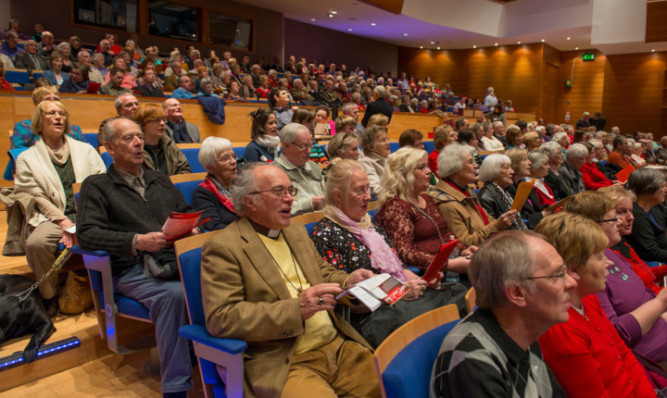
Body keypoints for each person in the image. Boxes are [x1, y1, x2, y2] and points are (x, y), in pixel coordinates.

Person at [200, 163, 381, 398]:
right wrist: (296, 309)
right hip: (286, 361)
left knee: (393, 385)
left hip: (338, 347)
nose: (289, 199)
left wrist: (349, 281)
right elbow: (222, 318)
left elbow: (322, 273)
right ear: (250, 200)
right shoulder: (224, 248)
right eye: (279, 192)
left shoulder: (295, 232)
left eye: (290, 191)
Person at [77, 117, 195, 397]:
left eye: (139, 137)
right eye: (128, 138)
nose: (138, 142)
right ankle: (176, 388)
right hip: (132, 269)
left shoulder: (159, 179)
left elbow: (185, 209)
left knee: (223, 277)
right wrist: (136, 242)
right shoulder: (97, 186)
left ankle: (217, 359)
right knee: (175, 296)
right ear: (109, 148)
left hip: (172, 260)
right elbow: (87, 234)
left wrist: (193, 226)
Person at [311, 160, 467, 347]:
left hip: (399, 296)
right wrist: (398, 292)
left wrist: (423, 281)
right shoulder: (326, 233)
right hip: (371, 314)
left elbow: (399, 267)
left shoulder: (370, 223)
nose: (369, 197)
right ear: (338, 196)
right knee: (436, 315)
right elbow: (347, 298)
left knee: (458, 293)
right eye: (360, 190)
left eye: (369, 189)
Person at [431, 231, 573, 398]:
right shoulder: (473, 363)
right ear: (517, 293)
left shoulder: (526, 330)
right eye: (557, 275)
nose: (571, 282)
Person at [535, 213, 657, 398]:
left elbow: (623, 354)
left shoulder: (589, 299)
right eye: (600, 257)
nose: (608, 263)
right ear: (573, 269)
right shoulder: (559, 329)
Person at [12, 100, 105, 313]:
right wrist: (63, 221)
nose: (58, 117)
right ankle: (49, 295)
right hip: (52, 217)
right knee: (36, 243)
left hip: (88, 212)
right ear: (39, 120)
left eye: (61, 113)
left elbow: (101, 180)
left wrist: (88, 217)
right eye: (51, 113)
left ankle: (110, 286)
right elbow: (34, 196)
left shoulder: (86, 149)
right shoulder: (27, 158)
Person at [564, 191, 667, 363]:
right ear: (591, 225)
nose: (621, 221)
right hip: (650, 359)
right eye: (614, 217)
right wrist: (661, 303)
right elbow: (615, 334)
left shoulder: (611, 252)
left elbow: (646, 294)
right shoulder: (588, 274)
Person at [375, 148, 474, 276]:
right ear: (404, 174)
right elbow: (405, 253)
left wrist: (463, 250)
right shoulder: (395, 207)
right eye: (421, 167)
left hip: (449, 267)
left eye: (427, 166)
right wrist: (448, 265)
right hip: (428, 275)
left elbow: (445, 234)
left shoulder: (427, 198)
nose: (429, 172)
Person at [428, 143, 516, 246]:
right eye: (470, 162)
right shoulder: (446, 203)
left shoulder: (465, 191)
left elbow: (487, 220)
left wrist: (502, 224)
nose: (476, 165)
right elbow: (464, 244)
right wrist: (497, 226)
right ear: (455, 168)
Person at [600, 185, 667, 295]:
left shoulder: (622, 243)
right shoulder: (606, 254)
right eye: (621, 212)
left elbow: (648, 274)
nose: (631, 217)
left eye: (631, 211)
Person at [272, 123, 326, 215]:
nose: (309, 151)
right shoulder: (273, 172)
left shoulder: (314, 167)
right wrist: (309, 204)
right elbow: (276, 210)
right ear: (287, 145)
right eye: (303, 146)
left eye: (310, 145)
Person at [11, 87, 85, 148]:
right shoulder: (25, 127)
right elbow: (18, 154)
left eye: (56, 99)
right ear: (37, 104)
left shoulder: (75, 129)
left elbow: (83, 152)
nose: (52, 102)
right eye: (47, 99)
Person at [192, 137, 238, 231]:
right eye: (225, 158)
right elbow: (214, 226)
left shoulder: (241, 185)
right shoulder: (203, 194)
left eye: (233, 156)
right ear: (210, 167)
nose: (233, 161)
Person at [133, 103, 191, 175]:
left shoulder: (169, 144)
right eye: (156, 120)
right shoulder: (134, 148)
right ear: (143, 124)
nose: (162, 123)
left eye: (163, 119)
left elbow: (185, 169)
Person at [625, 168, 667, 263]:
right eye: (662, 187)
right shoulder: (636, 216)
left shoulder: (655, 207)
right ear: (649, 191)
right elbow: (651, 252)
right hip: (654, 263)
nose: (665, 190)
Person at [478, 154, 527, 231]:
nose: (512, 171)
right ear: (493, 171)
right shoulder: (485, 197)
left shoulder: (505, 192)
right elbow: (492, 230)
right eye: (507, 168)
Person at [359, 125, 390, 197]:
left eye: (387, 139)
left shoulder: (391, 158)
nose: (388, 142)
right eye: (383, 140)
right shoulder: (366, 162)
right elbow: (374, 190)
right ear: (370, 146)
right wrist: (399, 192)